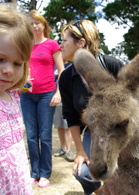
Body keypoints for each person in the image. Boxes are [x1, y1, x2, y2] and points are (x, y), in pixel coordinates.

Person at [59, 20, 123, 195]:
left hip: (122, 130)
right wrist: (80, 152)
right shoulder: (66, 77)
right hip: (94, 131)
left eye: (64, 40)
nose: (60, 45)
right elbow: (70, 116)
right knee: (84, 172)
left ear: (81, 43)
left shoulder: (112, 65)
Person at [20, 10, 64, 188]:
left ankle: (45, 174)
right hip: (26, 95)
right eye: (31, 23)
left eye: (37, 23)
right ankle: (34, 173)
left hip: (47, 94)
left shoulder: (52, 44)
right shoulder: (23, 46)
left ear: (44, 25)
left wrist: (58, 93)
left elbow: (62, 71)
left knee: (45, 136)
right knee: (31, 136)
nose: (34, 26)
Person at [0, 5, 34, 195]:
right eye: (0, 59)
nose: (9, 70)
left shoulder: (12, 95)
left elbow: (27, 85)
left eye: (17, 63)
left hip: (18, 182)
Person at [53, 61, 75, 162]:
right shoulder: (53, 66)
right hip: (55, 99)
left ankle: (69, 150)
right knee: (59, 125)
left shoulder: (71, 66)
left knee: (67, 126)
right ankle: (63, 147)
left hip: (67, 99)